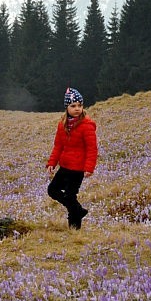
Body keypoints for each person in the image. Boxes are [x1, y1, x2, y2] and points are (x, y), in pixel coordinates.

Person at [46, 87, 98, 229]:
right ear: (66, 107)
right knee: (52, 190)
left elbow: (92, 149)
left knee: (70, 196)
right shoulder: (62, 125)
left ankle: (74, 229)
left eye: (79, 105)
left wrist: (89, 168)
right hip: (65, 166)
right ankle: (77, 210)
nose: (77, 109)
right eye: (73, 106)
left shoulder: (87, 126)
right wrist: (52, 163)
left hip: (78, 169)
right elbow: (58, 146)